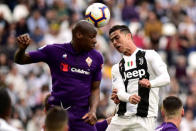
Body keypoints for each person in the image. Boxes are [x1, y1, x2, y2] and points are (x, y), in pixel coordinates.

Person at [14, 20, 103, 131]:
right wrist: (22, 50)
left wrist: (93, 110)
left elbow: (95, 88)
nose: (95, 41)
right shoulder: (54, 51)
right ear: (79, 35)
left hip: (82, 117)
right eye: (91, 37)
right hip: (57, 115)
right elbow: (20, 60)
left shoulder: (97, 57)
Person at [106, 25, 170, 131]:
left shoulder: (150, 55)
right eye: (112, 40)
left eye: (117, 38)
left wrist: (150, 83)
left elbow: (166, 78)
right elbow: (119, 92)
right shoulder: (116, 67)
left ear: (128, 36)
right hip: (121, 119)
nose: (114, 42)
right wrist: (129, 97)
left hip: (144, 118)